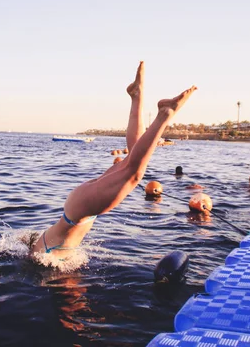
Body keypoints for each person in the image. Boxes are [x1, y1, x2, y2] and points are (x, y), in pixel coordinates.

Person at [30, 61, 197, 259]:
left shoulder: (42, 256)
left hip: (77, 212)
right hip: (79, 210)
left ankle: (164, 115)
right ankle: (137, 95)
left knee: (134, 173)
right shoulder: (40, 247)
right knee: (132, 160)